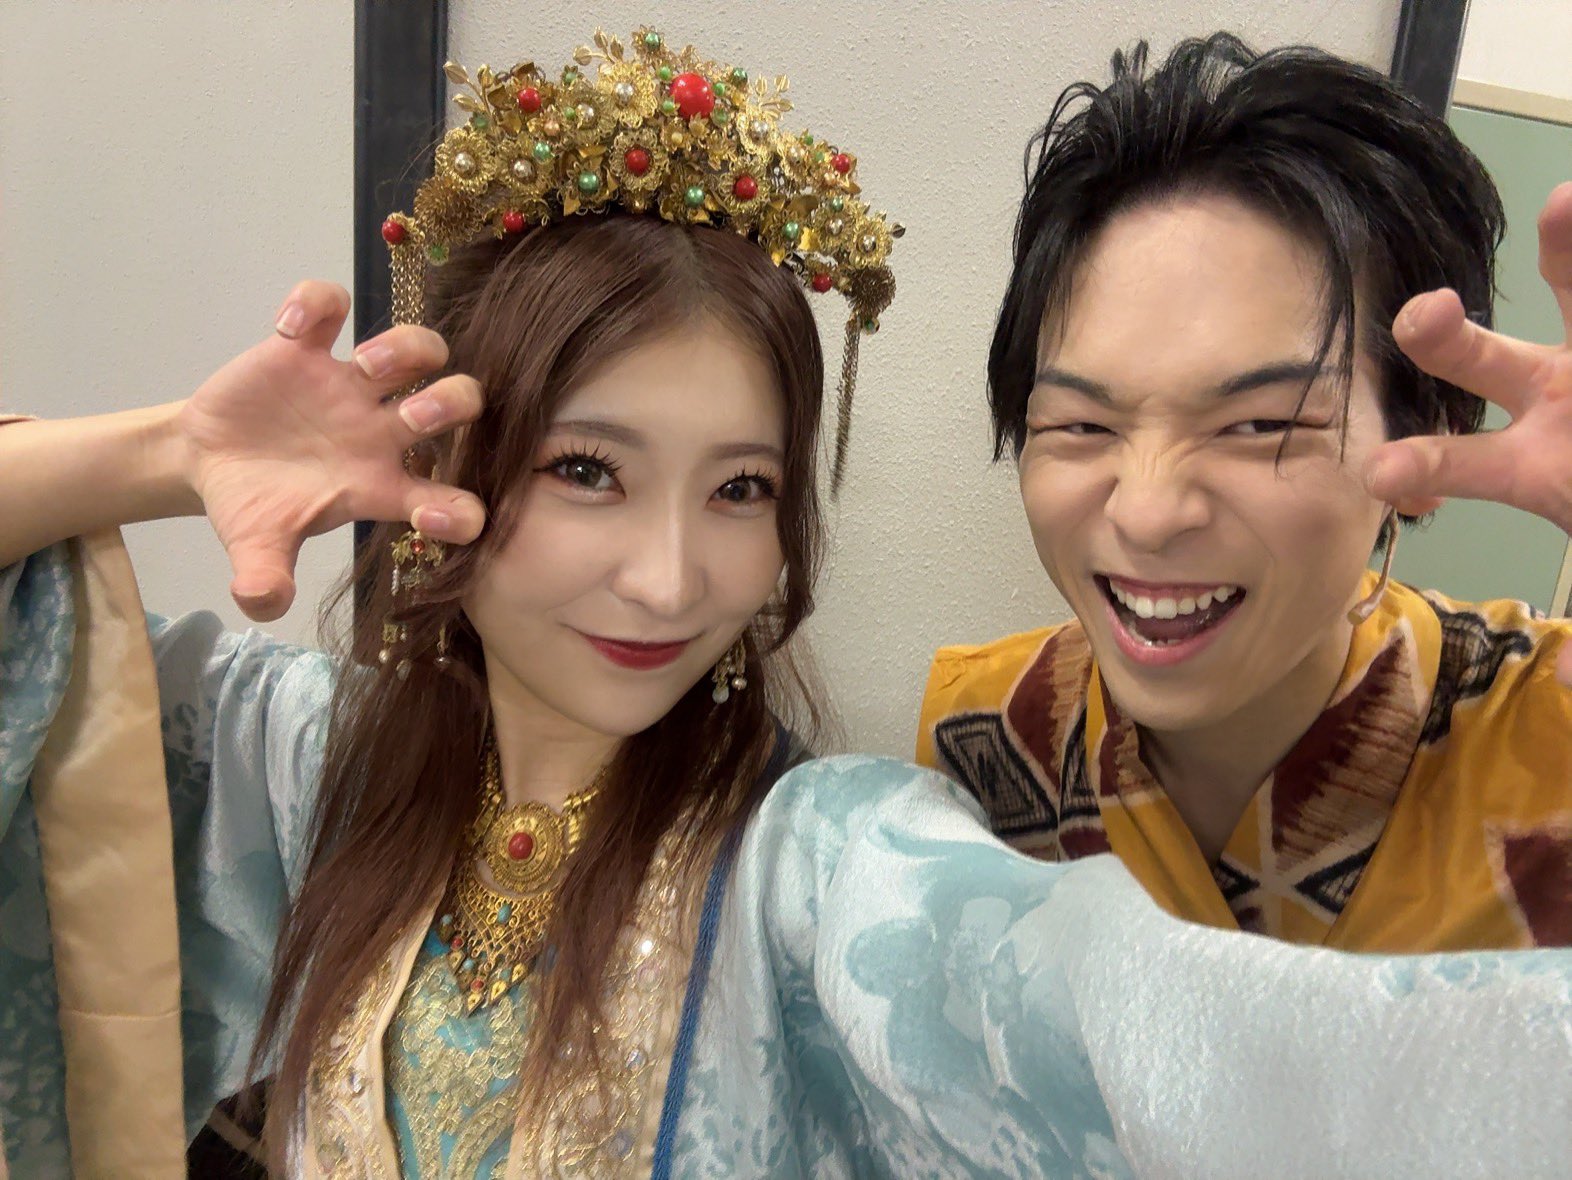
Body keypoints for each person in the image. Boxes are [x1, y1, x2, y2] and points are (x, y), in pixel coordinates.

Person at [2, 27, 1570, 1180]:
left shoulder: (824, 869)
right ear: (451, 466)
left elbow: (1180, 1040)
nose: (672, 576)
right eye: (587, 471)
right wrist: (162, 455)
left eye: (742, 489)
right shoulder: (308, 759)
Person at [918, 34, 1572, 953]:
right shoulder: (982, 732)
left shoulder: (1550, 739)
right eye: (1084, 425)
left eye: (1260, 424)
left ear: (1423, 431)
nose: (1147, 513)